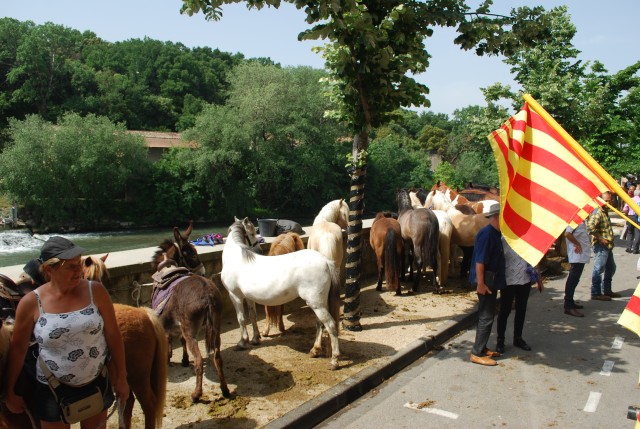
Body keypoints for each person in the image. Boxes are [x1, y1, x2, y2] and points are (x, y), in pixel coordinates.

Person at [4, 236, 129, 427]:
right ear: (49, 269)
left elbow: (113, 336)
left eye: (79, 264)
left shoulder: (96, 291)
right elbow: (18, 350)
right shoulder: (30, 303)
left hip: (96, 381)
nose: (79, 270)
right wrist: (9, 391)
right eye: (71, 267)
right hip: (52, 390)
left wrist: (121, 378)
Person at [468, 203, 505, 366]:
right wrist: (481, 283)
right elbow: (480, 261)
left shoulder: (495, 234)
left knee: (487, 315)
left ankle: (481, 348)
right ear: (497, 217)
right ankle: (476, 353)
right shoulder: (487, 234)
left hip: (491, 278)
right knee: (486, 316)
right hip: (487, 280)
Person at [496, 239, 543, 353]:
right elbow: (497, 257)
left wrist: (539, 279)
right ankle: (500, 340)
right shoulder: (503, 239)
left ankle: (518, 338)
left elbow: (534, 259)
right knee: (505, 310)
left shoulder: (528, 239)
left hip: (524, 280)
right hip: (508, 280)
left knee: (521, 309)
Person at [587, 191, 619, 300]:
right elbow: (590, 227)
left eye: (610, 200)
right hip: (601, 245)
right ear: (600, 200)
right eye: (606, 200)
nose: (608, 202)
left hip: (607, 245)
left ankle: (607, 290)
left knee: (611, 268)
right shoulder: (598, 212)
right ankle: (596, 293)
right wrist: (600, 238)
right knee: (599, 268)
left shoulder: (604, 211)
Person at [563, 220, 592, 316]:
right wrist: (578, 244)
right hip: (577, 255)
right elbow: (567, 234)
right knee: (572, 280)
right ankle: (568, 306)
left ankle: (570, 302)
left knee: (575, 280)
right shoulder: (575, 221)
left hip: (581, 255)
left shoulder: (581, 221)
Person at [622, 189, 640, 254]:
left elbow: (625, 209)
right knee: (637, 232)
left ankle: (629, 247)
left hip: (630, 217)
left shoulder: (630, 200)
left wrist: (627, 216)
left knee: (629, 232)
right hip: (638, 217)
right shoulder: (639, 200)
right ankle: (635, 249)